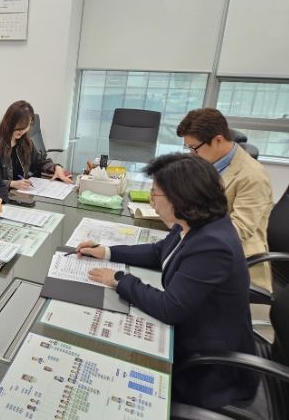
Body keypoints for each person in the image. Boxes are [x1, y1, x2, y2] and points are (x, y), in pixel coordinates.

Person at [79, 153, 258, 409]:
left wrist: (120, 279)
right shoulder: (192, 223)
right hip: (191, 337)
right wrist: (107, 252)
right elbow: (157, 252)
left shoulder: (213, 245)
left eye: (155, 193)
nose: (152, 200)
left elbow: (169, 307)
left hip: (208, 369)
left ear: (179, 198)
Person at [177, 107, 273, 289]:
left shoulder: (253, 176)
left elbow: (239, 230)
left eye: (194, 148)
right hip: (204, 245)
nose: (192, 154)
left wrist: (190, 234)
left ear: (218, 140)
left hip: (236, 261)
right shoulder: (210, 163)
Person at [0, 100, 73, 189]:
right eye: (19, 126)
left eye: (27, 125)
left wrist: (56, 167)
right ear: (10, 122)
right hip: (1, 194)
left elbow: (40, 162)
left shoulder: (25, 142)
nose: (22, 131)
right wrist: (11, 183)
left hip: (20, 192)